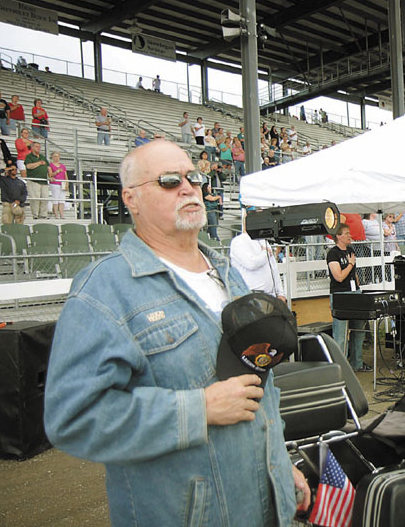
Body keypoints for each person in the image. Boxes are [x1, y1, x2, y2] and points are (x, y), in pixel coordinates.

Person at [43, 141, 309, 526]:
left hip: (266, 507)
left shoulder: (226, 273)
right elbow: (74, 417)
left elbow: (260, 390)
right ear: (131, 199)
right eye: (169, 181)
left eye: (194, 177)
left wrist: (280, 467)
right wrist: (197, 410)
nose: (188, 187)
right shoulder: (104, 290)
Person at [327, 224, 371, 372]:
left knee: (358, 330)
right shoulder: (333, 254)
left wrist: (358, 287)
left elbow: (354, 274)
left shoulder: (351, 251)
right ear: (338, 236)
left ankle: (357, 363)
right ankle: (340, 368)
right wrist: (350, 264)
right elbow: (339, 277)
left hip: (355, 292)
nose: (349, 235)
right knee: (340, 334)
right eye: (346, 233)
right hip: (341, 294)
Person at [230, 232, 286, 301]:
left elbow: (273, 268)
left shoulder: (263, 241)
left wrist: (281, 293)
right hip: (251, 296)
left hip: (271, 296)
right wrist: (266, 253)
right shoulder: (238, 241)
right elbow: (251, 264)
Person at [25, 142, 50, 219]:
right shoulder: (29, 157)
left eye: (39, 146)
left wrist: (51, 175)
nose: (38, 148)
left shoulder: (42, 156)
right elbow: (28, 166)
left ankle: (43, 214)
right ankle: (35, 215)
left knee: (45, 198)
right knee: (35, 198)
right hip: (34, 180)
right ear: (32, 147)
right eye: (36, 146)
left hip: (44, 180)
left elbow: (48, 167)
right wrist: (39, 163)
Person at [48, 151, 68, 219]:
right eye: (55, 156)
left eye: (58, 156)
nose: (57, 158)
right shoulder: (50, 165)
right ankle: (56, 215)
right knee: (55, 199)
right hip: (55, 184)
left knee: (62, 200)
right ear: (52, 157)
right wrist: (57, 171)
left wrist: (67, 183)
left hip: (62, 183)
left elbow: (65, 175)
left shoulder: (63, 166)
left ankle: (62, 215)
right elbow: (50, 175)